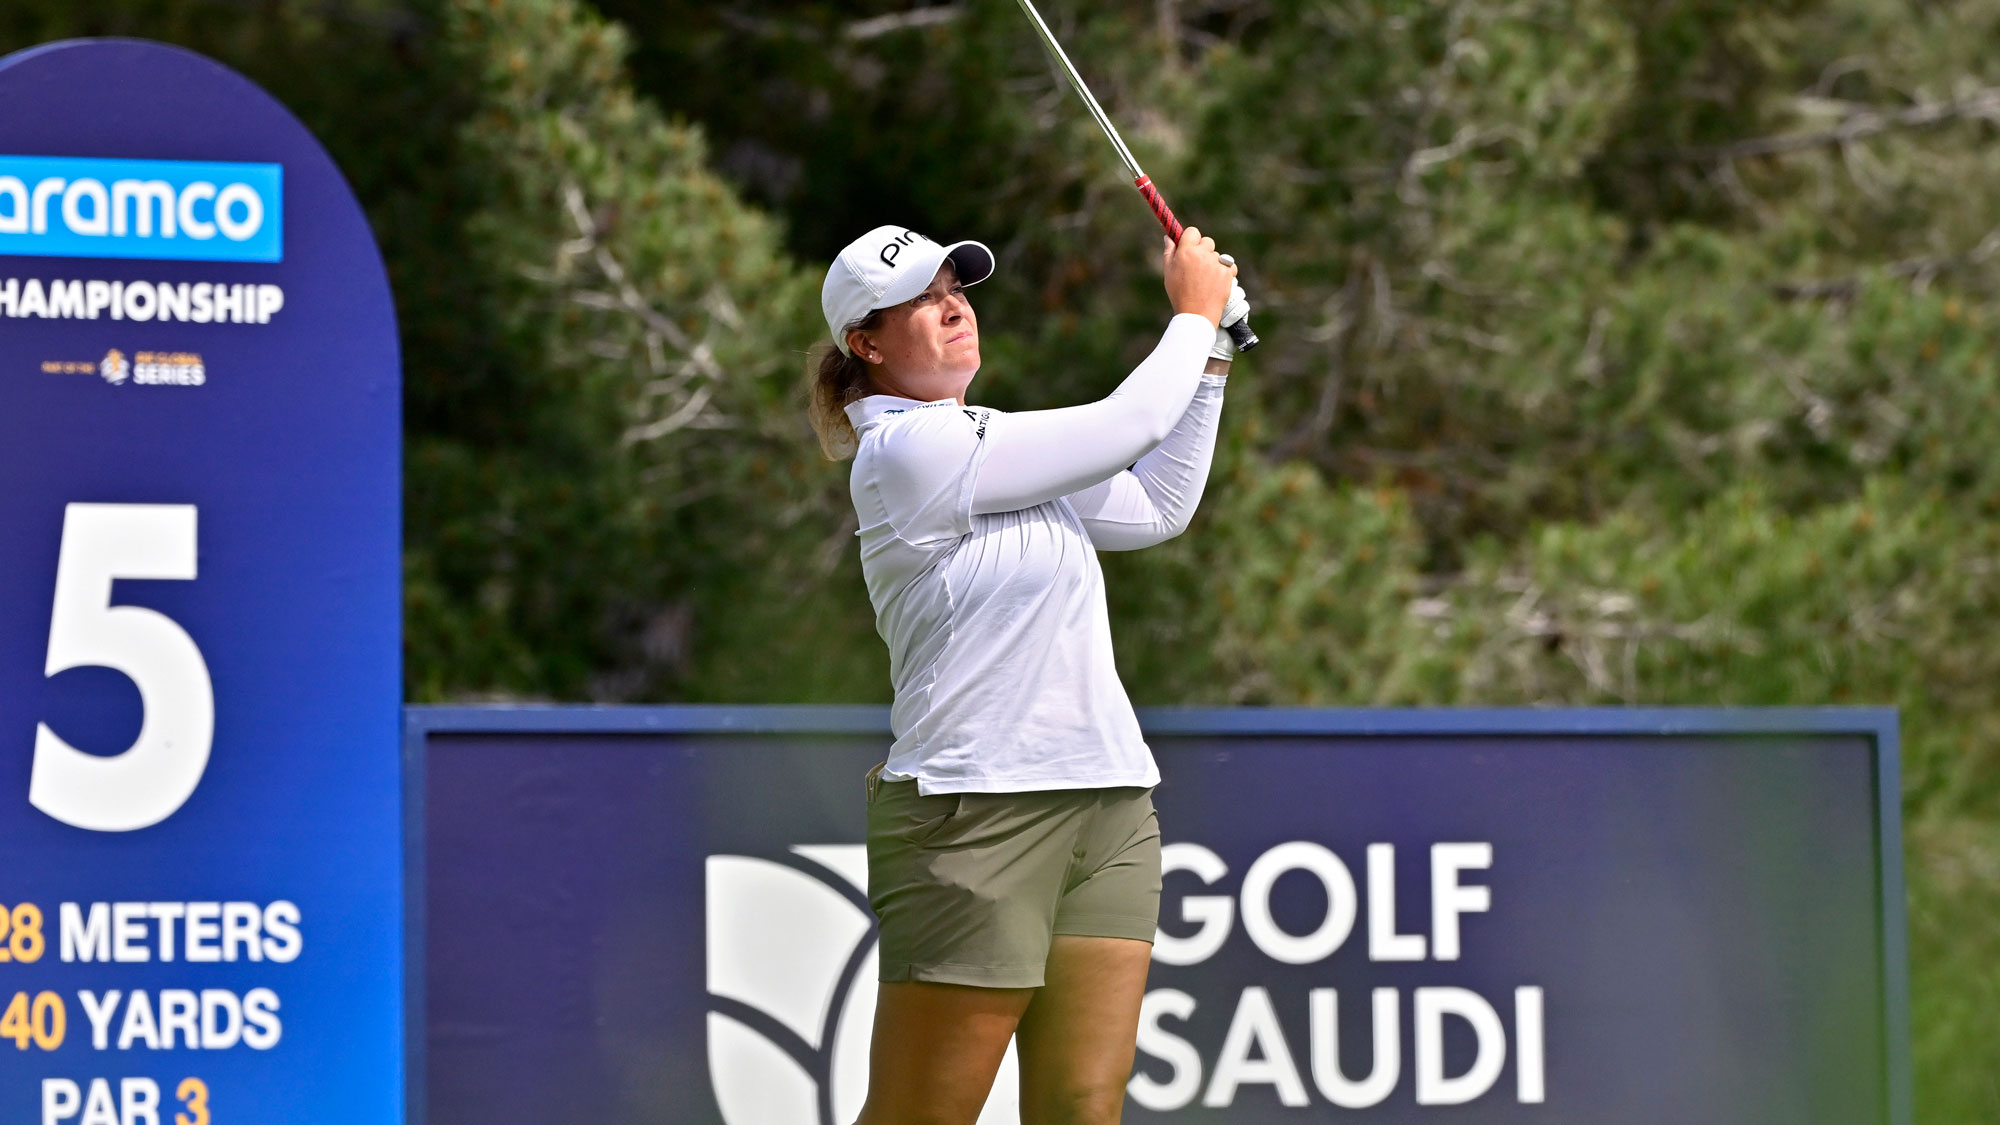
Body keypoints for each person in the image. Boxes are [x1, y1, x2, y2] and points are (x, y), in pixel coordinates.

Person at [807, 222, 1246, 1125]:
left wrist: (1211, 363)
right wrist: (1195, 317)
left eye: (957, 288)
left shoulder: (996, 443)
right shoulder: (906, 453)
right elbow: (1127, 425)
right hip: (977, 812)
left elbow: (1157, 504)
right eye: (922, 300)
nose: (954, 305)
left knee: (1082, 1110)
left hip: (1110, 802)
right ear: (869, 343)